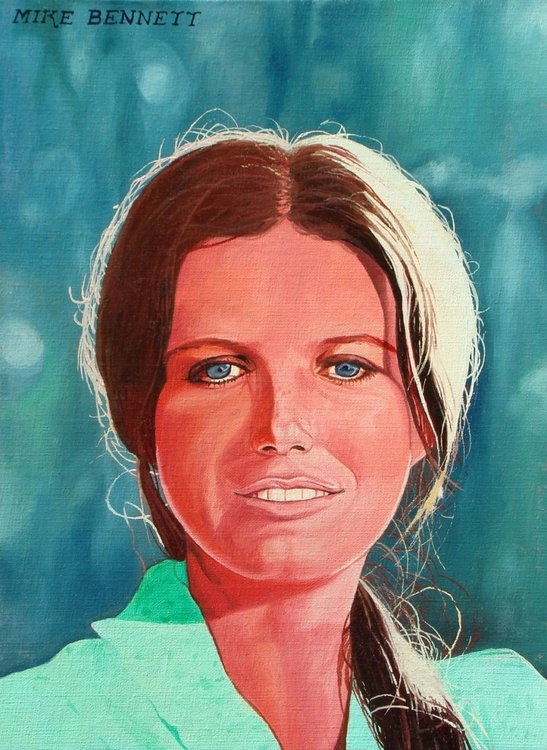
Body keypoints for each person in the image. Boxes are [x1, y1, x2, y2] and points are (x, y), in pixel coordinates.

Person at [1, 125, 545, 750]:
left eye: (347, 367)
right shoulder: (32, 725)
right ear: (141, 415)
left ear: (423, 415)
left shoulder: (515, 720)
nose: (281, 428)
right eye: (219, 370)